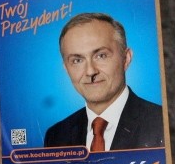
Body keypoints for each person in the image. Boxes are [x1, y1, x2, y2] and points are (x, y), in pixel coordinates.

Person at [44, 12, 165, 151]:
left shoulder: (161, 123)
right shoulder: (56, 136)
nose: (90, 71)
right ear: (66, 68)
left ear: (126, 58)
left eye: (101, 56)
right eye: (77, 60)